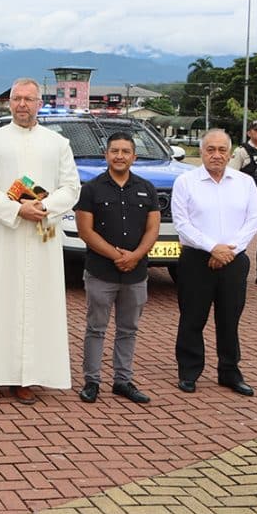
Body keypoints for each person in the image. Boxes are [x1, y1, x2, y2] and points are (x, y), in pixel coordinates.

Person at [0, 78, 81, 404]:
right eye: (17, 98)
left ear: (39, 104)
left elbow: (71, 188)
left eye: (29, 99)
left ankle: (27, 378)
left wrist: (43, 207)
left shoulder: (57, 143)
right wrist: (18, 209)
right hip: (1, 236)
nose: (22, 105)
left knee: (37, 307)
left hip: (42, 235)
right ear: (9, 103)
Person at [74, 132, 160, 404]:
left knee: (128, 329)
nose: (120, 156)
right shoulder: (91, 189)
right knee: (96, 328)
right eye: (115, 151)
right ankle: (92, 381)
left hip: (136, 273)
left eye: (125, 151)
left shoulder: (147, 188)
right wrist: (117, 256)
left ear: (134, 156)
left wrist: (135, 256)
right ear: (106, 155)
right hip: (101, 271)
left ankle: (123, 380)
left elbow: (153, 228)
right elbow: (85, 231)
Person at [174, 128, 257, 397]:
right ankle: (189, 372)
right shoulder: (186, 182)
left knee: (229, 319)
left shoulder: (244, 183)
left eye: (222, 150)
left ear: (230, 153)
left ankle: (230, 372)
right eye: (210, 149)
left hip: (233, 260)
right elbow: (182, 223)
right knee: (192, 318)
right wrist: (213, 247)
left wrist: (228, 252)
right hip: (195, 260)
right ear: (201, 152)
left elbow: (252, 220)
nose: (216, 155)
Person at [228, 118, 257, 285]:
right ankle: (232, 269)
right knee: (239, 235)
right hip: (248, 197)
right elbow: (231, 175)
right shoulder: (242, 151)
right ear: (249, 132)